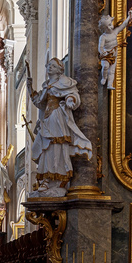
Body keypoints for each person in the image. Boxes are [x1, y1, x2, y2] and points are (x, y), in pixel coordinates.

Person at [28, 58, 92, 192]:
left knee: (56, 148)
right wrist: (30, 88)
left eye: (52, 65)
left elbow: (73, 94)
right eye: (48, 65)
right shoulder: (46, 85)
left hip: (57, 118)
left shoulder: (65, 82)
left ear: (60, 69)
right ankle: (46, 179)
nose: (49, 67)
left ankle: (57, 178)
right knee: (44, 148)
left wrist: (70, 100)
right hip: (46, 120)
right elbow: (40, 103)